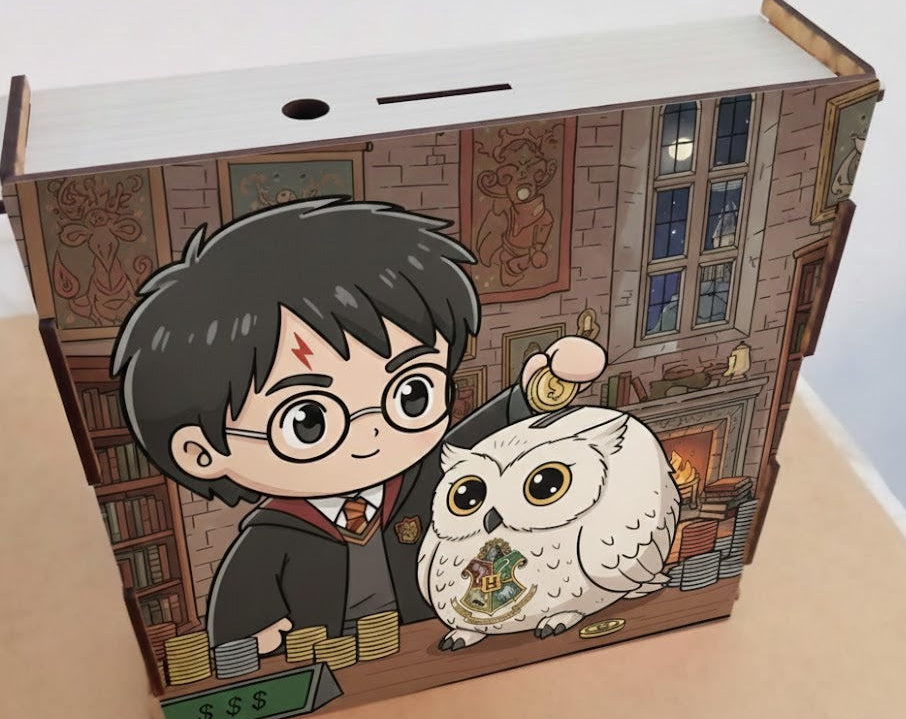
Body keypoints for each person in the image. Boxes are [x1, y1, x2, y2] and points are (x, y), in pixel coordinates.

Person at [112, 199, 606, 653]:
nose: (370, 432)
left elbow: (476, 441)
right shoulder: (272, 538)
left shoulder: (421, 481)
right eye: (307, 420)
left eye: (412, 393)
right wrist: (248, 639)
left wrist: (533, 394)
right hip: (336, 671)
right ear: (202, 451)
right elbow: (237, 623)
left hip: (442, 646)